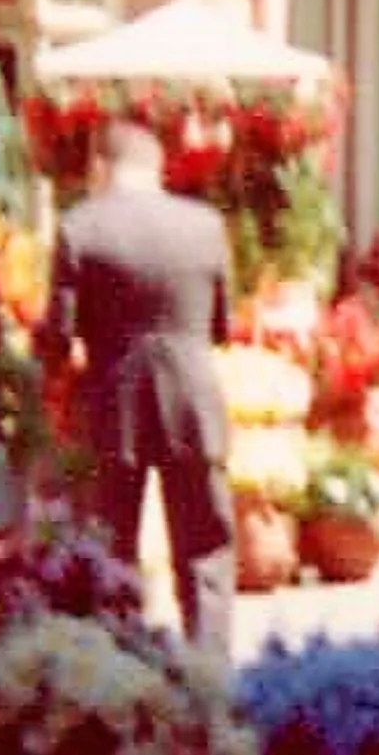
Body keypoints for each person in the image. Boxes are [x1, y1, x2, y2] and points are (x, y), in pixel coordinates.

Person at [39, 120, 237, 658]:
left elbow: (56, 336)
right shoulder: (207, 227)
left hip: (112, 404)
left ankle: (116, 673)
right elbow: (223, 325)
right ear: (157, 169)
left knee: (109, 551)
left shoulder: (80, 227)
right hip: (194, 402)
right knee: (206, 550)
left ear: (100, 167)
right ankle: (212, 677)